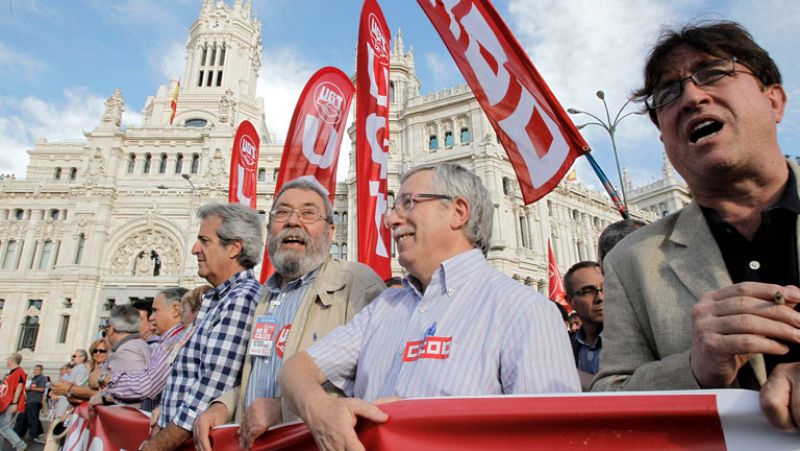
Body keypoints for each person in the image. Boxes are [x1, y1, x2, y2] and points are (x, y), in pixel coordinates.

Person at [279, 163, 579, 450]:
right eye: (394, 208)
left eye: (408, 203)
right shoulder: (384, 307)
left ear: (458, 212)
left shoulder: (526, 311)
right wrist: (321, 409)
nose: (390, 220)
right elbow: (296, 370)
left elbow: (554, 440)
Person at [590, 21, 800, 430]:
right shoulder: (633, 261)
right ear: (665, 141)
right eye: (668, 93)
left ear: (774, 100)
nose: (691, 96)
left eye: (714, 72)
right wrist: (694, 369)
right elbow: (609, 401)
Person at [193, 178, 384, 450]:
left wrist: (284, 410)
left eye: (308, 213)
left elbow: (374, 388)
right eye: (282, 213)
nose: (293, 221)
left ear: (330, 231)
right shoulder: (266, 296)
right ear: (270, 228)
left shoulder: (357, 285)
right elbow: (258, 377)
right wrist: (223, 406)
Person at [143, 203, 263, 450]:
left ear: (234, 248)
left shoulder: (241, 299)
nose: (195, 249)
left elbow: (210, 390)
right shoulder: (217, 298)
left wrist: (155, 446)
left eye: (204, 241)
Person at [91, 287, 188, 411]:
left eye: (155, 310)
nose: (151, 318)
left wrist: (105, 378)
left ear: (175, 310)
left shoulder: (175, 342)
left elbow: (147, 386)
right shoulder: (168, 342)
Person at [564, 261, 604, 391]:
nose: (600, 297)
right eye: (588, 291)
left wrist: (574, 375)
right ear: (570, 301)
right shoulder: (564, 350)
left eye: (605, 288)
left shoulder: (634, 341)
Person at [0, 353, 27, 451]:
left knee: (4, 427)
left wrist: (14, 403)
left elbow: (19, 387)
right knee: (1, 427)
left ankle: (20, 445)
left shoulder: (19, 372)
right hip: (5, 403)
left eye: (8, 359)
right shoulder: (13, 373)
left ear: (12, 360)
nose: (7, 360)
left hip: (10, 404)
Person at [14, 364, 46, 443]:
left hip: (34, 401)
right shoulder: (33, 378)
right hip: (28, 401)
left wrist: (30, 388)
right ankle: (16, 435)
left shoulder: (42, 378)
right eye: (34, 369)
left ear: (41, 371)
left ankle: (34, 435)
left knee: (32, 419)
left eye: (37, 370)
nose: (35, 371)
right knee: (22, 418)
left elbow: (42, 389)